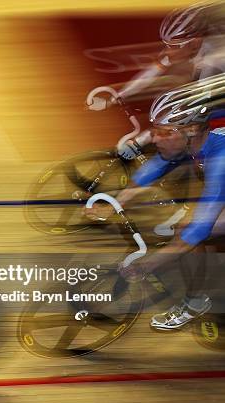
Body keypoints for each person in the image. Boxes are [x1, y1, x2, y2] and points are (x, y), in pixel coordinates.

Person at [85, 73, 225, 330]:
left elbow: (199, 228)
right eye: (154, 131)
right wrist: (118, 202)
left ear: (191, 129)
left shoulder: (221, 157)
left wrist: (149, 264)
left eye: (163, 132)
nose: (155, 139)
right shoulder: (196, 142)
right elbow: (158, 165)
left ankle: (195, 303)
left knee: (189, 228)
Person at [87, 1, 225, 160]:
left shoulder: (212, 62)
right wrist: (116, 97)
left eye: (174, 46)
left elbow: (190, 112)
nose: (168, 51)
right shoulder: (195, 41)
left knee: (203, 137)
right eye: (166, 45)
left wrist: (142, 140)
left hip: (217, 77)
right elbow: (151, 72)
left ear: (195, 42)